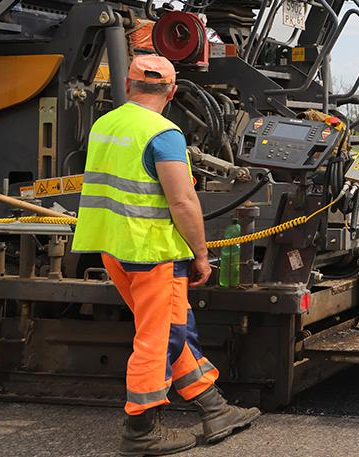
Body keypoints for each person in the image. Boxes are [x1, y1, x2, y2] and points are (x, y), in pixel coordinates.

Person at [71, 55, 259, 455]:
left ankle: (214, 407)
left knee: (172, 330)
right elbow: (183, 201)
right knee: (159, 338)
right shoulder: (164, 134)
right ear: (172, 92)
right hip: (154, 253)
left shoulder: (105, 125)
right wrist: (202, 254)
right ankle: (141, 431)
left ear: (127, 86)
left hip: (113, 249)